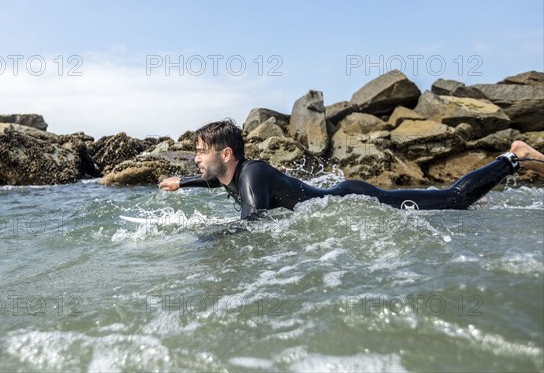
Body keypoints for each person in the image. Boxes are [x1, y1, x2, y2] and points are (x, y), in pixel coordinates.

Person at [159, 119, 544, 220]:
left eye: (200, 153)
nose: (195, 158)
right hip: (344, 195)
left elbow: (253, 215)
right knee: (452, 202)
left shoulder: (252, 175)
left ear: (226, 154)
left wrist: (216, 239)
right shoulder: (230, 174)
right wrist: (184, 181)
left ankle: (512, 156)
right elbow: (215, 184)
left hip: (359, 198)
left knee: (454, 199)